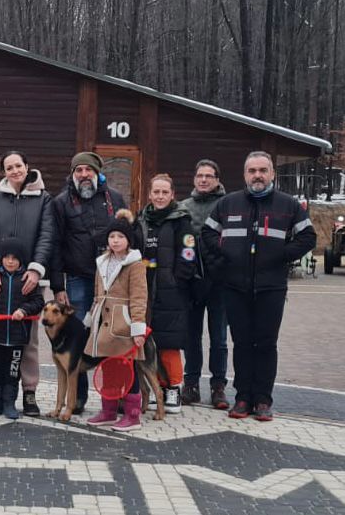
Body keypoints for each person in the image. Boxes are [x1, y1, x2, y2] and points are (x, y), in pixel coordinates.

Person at [202, 151, 315, 422]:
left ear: (272, 173)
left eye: (263, 170)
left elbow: (308, 236)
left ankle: (263, 399)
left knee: (265, 344)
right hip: (235, 287)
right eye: (252, 171)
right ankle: (243, 398)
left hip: (271, 288)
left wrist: (281, 256)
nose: (258, 176)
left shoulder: (288, 205)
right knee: (241, 343)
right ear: (244, 175)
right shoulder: (228, 204)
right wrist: (223, 261)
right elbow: (207, 233)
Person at [50, 152, 126, 415]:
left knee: (113, 335)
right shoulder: (60, 202)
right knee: (77, 338)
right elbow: (55, 245)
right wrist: (58, 286)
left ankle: (116, 395)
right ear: (73, 173)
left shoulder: (114, 199)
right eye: (79, 170)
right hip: (77, 279)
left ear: (97, 173)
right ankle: (78, 398)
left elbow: (126, 235)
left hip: (111, 279)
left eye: (88, 170)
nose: (84, 175)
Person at [0, 150, 53, 416]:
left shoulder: (43, 198)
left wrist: (35, 269)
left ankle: (29, 392)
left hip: (29, 278)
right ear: (4, 171)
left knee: (28, 341)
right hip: (0, 277)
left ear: (26, 166)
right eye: (9, 167)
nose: (14, 171)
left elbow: (47, 234)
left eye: (18, 165)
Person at [135, 174, 196, 414]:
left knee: (169, 342)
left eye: (164, 192)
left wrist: (178, 279)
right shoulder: (141, 219)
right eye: (156, 192)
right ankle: (156, 386)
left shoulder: (181, 221)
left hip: (171, 290)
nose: (160, 197)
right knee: (149, 342)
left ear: (172, 195)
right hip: (144, 289)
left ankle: (173, 388)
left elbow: (189, 253)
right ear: (149, 194)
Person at [84, 209, 148, 432]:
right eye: (112, 236)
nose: (115, 240)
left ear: (128, 240)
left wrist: (138, 328)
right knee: (107, 367)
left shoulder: (135, 265)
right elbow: (96, 293)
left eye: (120, 237)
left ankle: (133, 415)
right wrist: (90, 318)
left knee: (127, 369)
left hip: (124, 324)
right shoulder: (102, 262)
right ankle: (108, 411)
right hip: (104, 323)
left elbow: (139, 297)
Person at [180, 159, 229, 409]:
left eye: (209, 176)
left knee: (219, 337)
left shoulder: (228, 205)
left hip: (220, 282)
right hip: (192, 282)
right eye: (200, 175)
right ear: (194, 179)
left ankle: (218, 386)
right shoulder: (183, 207)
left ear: (217, 179)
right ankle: (191, 384)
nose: (204, 180)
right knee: (191, 336)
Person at [0, 238, 45, 420]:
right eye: (6, 257)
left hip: (17, 337)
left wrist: (24, 310)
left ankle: (9, 402)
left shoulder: (27, 280)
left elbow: (38, 302)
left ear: (21, 260)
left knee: (13, 371)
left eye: (15, 258)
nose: (10, 261)